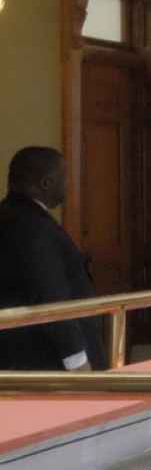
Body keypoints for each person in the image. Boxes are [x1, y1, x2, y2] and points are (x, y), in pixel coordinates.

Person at [0, 147, 106, 371]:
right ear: (46, 183)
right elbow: (50, 298)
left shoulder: (8, 216)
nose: (69, 184)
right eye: (65, 178)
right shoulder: (36, 228)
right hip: (45, 361)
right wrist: (78, 362)